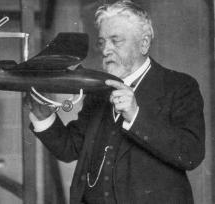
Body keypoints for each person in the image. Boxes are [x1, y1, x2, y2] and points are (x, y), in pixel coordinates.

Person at [26, 1, 205, 203]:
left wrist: (135, 115)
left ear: (144, 43)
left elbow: (191, 153)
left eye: (115, 41)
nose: (105, 50)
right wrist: (44, 117)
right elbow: (72, 148)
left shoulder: (179, 86)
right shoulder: (99, 90)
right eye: (102, 42)